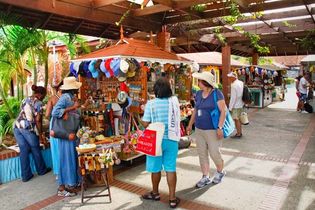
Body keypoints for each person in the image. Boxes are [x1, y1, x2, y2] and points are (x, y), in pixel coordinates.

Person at [138, 77, 181, 208]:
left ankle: (155, 193)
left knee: (155, 168)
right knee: (170, 168)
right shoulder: (174, 102)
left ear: (156, 90)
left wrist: (139, 118)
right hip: (172, 139)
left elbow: (146, 123)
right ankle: (172, 198)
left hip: (156, 140)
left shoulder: (151, 104)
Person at [186, 71, 226, 188]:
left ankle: (220, 172)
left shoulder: (217, 94)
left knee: (214, 153)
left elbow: (223, 111)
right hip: (199, 129)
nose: (198, 83)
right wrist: (190, 124)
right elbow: (195, 110)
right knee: (202, 154)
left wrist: (220, 127)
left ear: (205, 83)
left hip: (212, 129)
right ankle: (205, 176)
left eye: (200, 81)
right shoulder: (198, 94)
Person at [51, 76, 84, 197]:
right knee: (66, 159)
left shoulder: (70, 97)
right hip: (66, 134)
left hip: (71, 132)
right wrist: (72, 108)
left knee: (71, 159)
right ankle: (62, 187)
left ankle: (71, 184)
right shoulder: (65, 97)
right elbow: (55, 112)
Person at [14, 85, 51, 182]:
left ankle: (26, 176)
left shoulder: (25, 99)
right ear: (40, 94)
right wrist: (40, 134)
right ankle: (41, 170)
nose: (44, 97)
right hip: (27, 128)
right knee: (35, 148)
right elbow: (38, 120)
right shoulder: (38, 103)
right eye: (44, 95)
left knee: (24, 150)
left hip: (17, 127)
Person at [45, 84, 62, 177]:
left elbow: (47, 114)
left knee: (56, 148)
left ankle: (58, 171)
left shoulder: (52, 99)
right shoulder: (69, 98)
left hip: (55, 123)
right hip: (66, 123)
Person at [227, 72, 244, 138]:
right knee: (238, 119)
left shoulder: (233, 85)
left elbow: (233, 98)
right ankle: (240, 132)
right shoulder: (241, 82)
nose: (229, 78)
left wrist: (230, 107)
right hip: (240, 103)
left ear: (233, 77)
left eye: (230, 77)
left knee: (236, 119)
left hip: (235, 105)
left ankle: (238, 133)